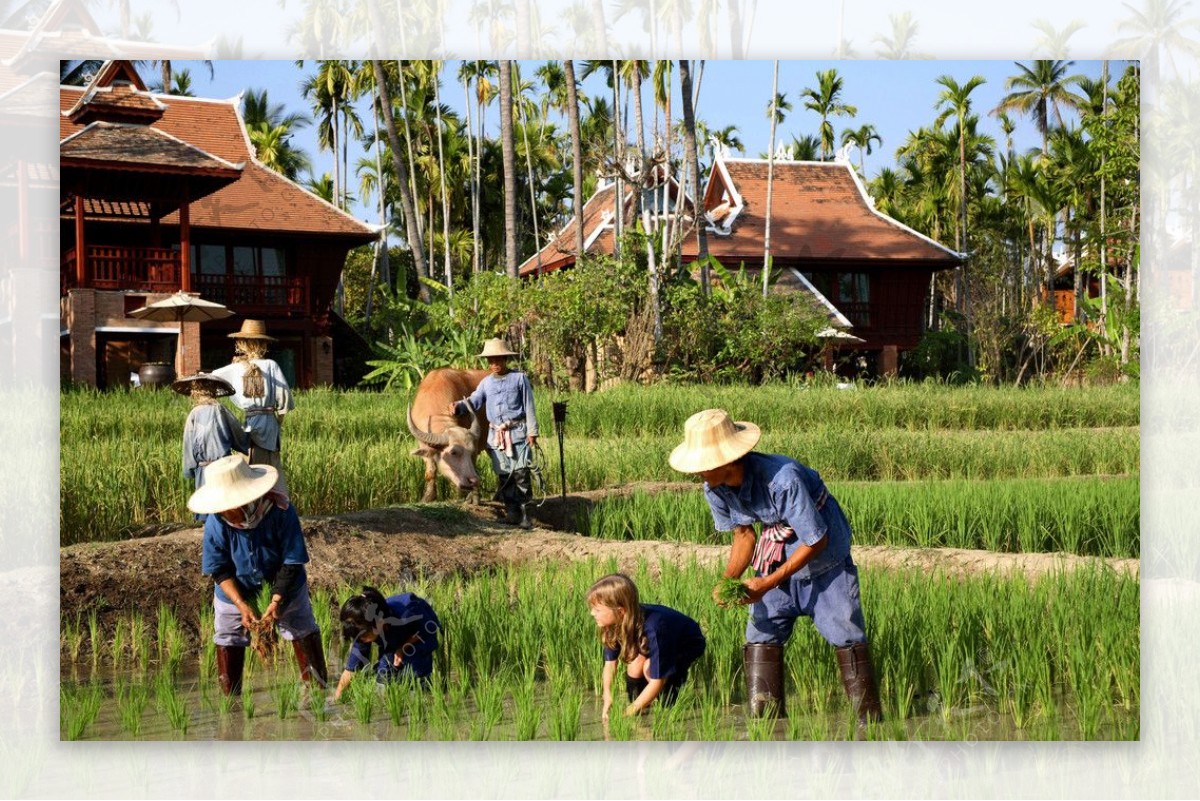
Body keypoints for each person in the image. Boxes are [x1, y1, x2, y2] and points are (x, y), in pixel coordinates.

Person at [668, 408, 882, 724]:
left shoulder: (782, 479)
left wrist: (766, 584)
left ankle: (869, 724)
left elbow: (816, 540)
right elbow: (743, 535)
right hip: (776, 553)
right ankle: (766, 726)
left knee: (846, 635)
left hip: (825, 559)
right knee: (761, 635)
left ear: (726, 461)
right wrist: (730, 580)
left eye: (703, 466)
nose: (698, 473)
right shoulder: (715, 488)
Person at [190, 454, 327, 697]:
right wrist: (241, 604)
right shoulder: (216, 522)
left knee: (301, 627)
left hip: (285, 585)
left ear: (243, 501)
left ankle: (318, 694)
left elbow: (292, 560)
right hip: (235, 589)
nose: (223, 512)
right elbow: (219, 568)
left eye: (227, 507)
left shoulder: (280, 511)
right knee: (228, 634)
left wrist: (275, 600)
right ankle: (231, 702)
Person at [587, 573, 706, 720]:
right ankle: (642, 711)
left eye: (597, 610)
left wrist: (625, 714)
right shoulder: (613, 624)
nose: (592, 613)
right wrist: (607, 695)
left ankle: (668, 710)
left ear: (620, 611)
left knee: (650, 669)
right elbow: (610, 664)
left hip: (685, 643)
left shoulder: (655, 628)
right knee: (635, 666)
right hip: (652, 641)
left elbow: (658, 680)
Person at [447, 338, 539, 528]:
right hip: (496, 436)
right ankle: (512, 514)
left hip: (517, 433)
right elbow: (475, 401)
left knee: (521, 474)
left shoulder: (520, 379)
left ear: (505, 359)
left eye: (498, 360)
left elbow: (529, 406)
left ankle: (525, 515)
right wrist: (459, 407)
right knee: (504, 475)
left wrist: (532, 431)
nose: (494, 364)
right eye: (491, 360)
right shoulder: (486, 383)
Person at [212, 319, 294, 493]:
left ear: (241, 344)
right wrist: (277, 422)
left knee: (249, 473)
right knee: (272, 472)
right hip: (270, 427)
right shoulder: (271, 366)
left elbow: (212, 379)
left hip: (249, 425)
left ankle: (250, 510)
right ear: (264, 344)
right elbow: (284, 400)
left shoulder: (236, 368)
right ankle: (276, 509)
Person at [333, 586, 441, 701]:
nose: (361, 640)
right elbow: (351, 669)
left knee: (413, 669)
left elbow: (428, 629)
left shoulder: (406, 614)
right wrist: (337, 698)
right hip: (391, 637)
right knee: (384, 670)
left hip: (420, 632)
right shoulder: (362, 630)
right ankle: (385, 700)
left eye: (364, 636)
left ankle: (421, 695)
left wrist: (403, 648)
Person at [173, 374, 247, 514]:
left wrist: (189, 470)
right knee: (225, 509)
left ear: (195, 393)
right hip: (223, 468)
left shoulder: (193, 414)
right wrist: (248, 436)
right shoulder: (220, 410)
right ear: (213, 391)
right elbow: (238, 434)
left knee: (208, 507)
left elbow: (188, 445)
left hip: (204, 469)